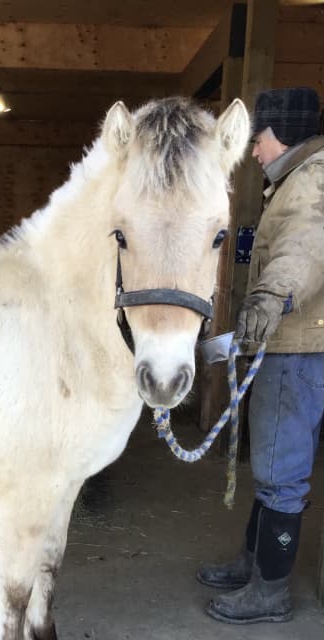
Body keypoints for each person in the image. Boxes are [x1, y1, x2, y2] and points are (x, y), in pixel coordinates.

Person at [197, 86, 324, 624]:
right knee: (273, 463)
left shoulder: (314, 180)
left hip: (296, 348)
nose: (253, 150)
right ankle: (253, 565)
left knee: (281, 471)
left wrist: (272, 295)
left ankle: (269, 592)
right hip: (286, 345)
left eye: (260, 139)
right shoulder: (294, 179)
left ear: (284, 136)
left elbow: (307, 247)